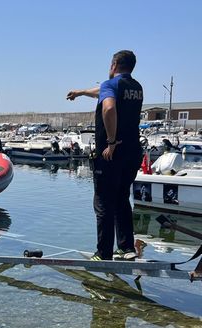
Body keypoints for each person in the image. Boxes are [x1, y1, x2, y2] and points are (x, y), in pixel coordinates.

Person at [67, 50, 144, 261]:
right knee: (121, 199)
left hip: (111, 154)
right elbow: (102, 91)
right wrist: (82, 92)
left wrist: (111, 142)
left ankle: (103, 253)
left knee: (103, 202)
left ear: (114, 64)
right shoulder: (136, 87)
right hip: (132, 152)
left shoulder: (110, 85)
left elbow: (108, 108)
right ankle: (127, 248)